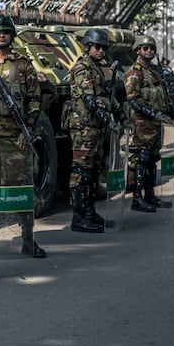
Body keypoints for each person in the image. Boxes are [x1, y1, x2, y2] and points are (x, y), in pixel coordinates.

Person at [0, 15, 46, 258]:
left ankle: (28, 239)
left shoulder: (23, 65)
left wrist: (28, 131)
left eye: (5, 31)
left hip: (15, 139)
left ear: (12, 35)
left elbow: (34, 101)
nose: (2, 35)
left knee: (23, 192)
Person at [67, 28, 112, 233]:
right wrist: (106, 119)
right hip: (84, 128)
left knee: (93, 172)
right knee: (81, 172)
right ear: (87, 47)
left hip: (95, 127)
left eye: (103, 47)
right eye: (97, 47)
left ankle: (89, 211)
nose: (101, 51)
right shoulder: (82, 68)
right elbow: (88, 99)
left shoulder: (97, 68)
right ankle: (78, 216)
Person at [124, 36, 174, 211]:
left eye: (152, 48)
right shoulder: (134, 72)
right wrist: (155, 114)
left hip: (155, 123)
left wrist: (171, 113)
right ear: (138, 50)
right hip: (142, 123)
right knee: (141, 159)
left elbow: (164, 95)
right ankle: (137, 197)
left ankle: (150, 195)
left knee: (152, 159)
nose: (149, 51)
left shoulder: (155, 71)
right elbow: (133, 100)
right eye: (145, 48)